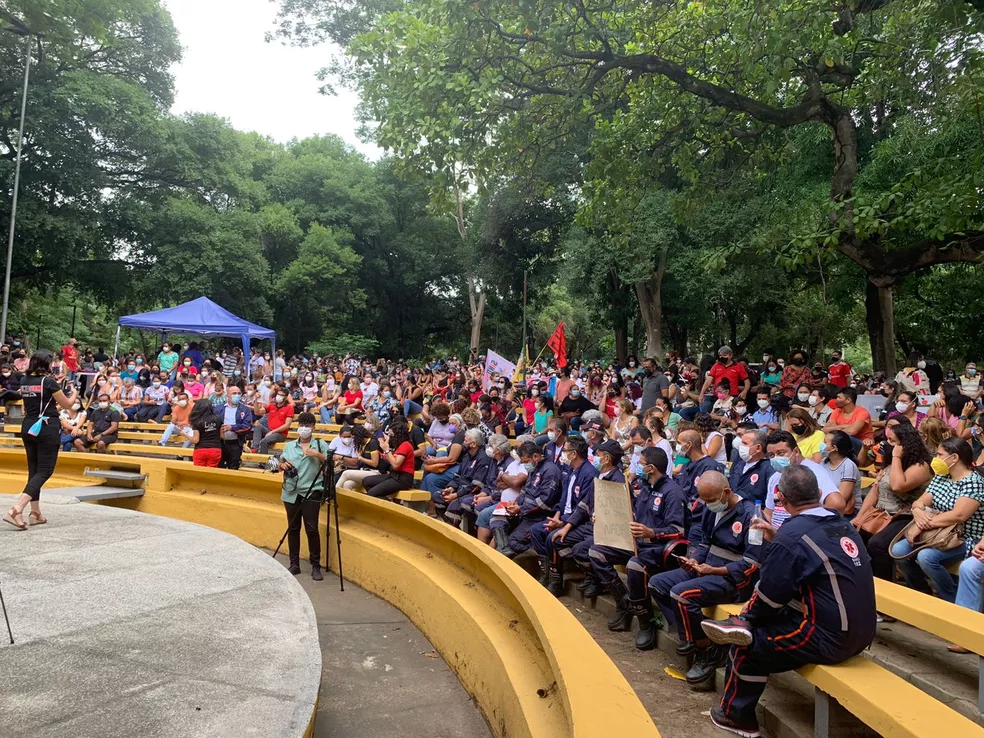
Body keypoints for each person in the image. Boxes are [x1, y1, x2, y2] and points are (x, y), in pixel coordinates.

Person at [699, 465, 876, 738]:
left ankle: (736, 718)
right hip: (862, 632)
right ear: (818, 493)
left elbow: (770, 595)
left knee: (747, 645)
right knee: (763, 622)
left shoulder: (793, 536)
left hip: (831, 637)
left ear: (779, 498)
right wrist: (779, 539)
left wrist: (748, 617)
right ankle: (739, 625)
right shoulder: (841, 524)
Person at [648, 471, 763, 687]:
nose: (707, 504)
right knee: (657, 584)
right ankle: (696, 637)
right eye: (704, 499)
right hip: (706, 569)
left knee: (682, 595)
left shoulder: (750, 515)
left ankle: (705, 649)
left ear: (726, 492)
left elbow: (752, 564)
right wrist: (693, 561)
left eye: (711, 500)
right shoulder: (711, 510)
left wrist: (714, 571)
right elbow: (704, 544)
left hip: (733, 580)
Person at [588, 446, 688, 649]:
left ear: (651, 467)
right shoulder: (642, 486)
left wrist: (652, 532)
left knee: (635, 565)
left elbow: (678, 530)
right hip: (635, 543)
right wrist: (603, 518)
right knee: (596, 552)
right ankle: (624, 602)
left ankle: (646, 622)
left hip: (658, 548)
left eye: (640, 464)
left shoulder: (673, 493)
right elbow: (629, 514)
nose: (637, 467)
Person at [890, 437, 984, 603]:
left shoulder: (973, 482)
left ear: (954, 458)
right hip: (934, 531)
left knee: (927, 557)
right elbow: (920, 502)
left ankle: (948, 597)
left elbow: (959, 515)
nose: (936, 459)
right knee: (898, 551)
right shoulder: (942, 476)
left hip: (964, 537)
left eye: (940, 455)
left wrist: (922, 525)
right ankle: (920, 592)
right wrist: (918, 511)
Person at [2, 351, 78, 530]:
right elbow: (67, 404)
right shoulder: (49, 382)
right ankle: (17, 509)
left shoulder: (24, 381)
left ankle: (35, 513)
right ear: (46, 364)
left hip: (28, 425)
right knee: (45, 470)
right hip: (46, 427)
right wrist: (74, 392)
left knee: (34, 470)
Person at [853, 420, 933, 585]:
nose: (886, 444)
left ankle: (884, 587)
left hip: (906, 515)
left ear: (904, 444)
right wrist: (858, 518)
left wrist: (896, 456)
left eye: (892, 441)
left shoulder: (921, 465)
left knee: (878, 544)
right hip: (882, 513)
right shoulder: (890, 462)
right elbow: (874, 492)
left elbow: (898, 486)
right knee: (854, 534)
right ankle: (865, 583)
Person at [529, 434, 599, 596]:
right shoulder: (570, 470)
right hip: (563, 516)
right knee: (536, 531)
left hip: (579, 521)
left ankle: (556, 581)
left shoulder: (589, 474)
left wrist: (563, 523)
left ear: (574, 454)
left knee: (552, 538)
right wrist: (557, 516)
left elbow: (583, 508)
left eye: (565, 451)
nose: (562, 455)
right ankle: (546, 573)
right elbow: (564, 498)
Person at [489, 440, 563, 557]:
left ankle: (537, 553)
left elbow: (544, 502)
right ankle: (502, 553)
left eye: (526, 462)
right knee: (496, 520)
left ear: (536, 456)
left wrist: (520, 508)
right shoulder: (533, 469)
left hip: (539, 516)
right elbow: (525, 491)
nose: (525, 465)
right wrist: (516, 502)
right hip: (525, 513)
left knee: (513, 542)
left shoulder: (550, 471)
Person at [278, 412, 328, 581]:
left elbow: (331, 464)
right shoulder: (290, 446)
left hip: (312, 490)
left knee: (312, 529)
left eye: (307, 426)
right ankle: (294, 564)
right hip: (291, 491)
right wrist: (282, 465)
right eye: (301, 426)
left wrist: (318, 455)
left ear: (313, 428)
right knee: (293, 528)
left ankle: (316, 566)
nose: (304, 429)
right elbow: (280, 463)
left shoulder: (320, 445)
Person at [764, 430, 844, 526]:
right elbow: (769, 512)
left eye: (781, 453)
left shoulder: (813, 472)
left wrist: (813, 528)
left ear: (796, 451)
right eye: (772, 455)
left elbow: (837, 504)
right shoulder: (775, 476)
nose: (776, 458)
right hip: (779, 534)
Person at [362, 418, 417, 499]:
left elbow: (395, 465)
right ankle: (384, 500)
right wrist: (384, 455)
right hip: (393, 475)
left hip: (402, 478)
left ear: (398, 435)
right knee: (366, 481)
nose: (390, 437)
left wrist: (387, 450)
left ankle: (388, 506)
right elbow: (393, 460)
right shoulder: (399, 445)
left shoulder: (406, 445)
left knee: (372, 493)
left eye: (391, 435)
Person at [698, 346, 750, 411]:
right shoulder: (716, 365)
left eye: (724, 355)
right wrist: (702, 393)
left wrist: (745, 391)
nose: (722, 357)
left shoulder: (738, 366)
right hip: (717, 396)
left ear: (730, 355)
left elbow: (747, 381)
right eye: (720, 355)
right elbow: (708, 381)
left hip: (732, 396)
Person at [822, 430, 862, 514]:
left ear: (834, 448)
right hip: (825, 506)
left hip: (846, 511)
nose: (821, 444)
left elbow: (841, 500)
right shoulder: (823, 462)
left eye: (825, 442)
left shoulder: (848, 466)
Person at [728, 428, 772, 503]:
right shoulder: (739, 463)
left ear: (758, 448)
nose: (741, 446)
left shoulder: (768, 469)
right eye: (741, 443)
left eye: (745, 443)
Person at [218, 385, 253, 469]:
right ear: (228, 395)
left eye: (239, 393)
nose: (237, 395)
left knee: (233, 467)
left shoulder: (245, 409)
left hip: (236, 444)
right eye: (234, 393)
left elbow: (247, 426)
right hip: (220, 443)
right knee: (219, 467)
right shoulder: (218, 408)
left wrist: (232, 428)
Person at [252, 389, 295, 455]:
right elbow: (257, 412)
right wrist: (256, 401)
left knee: (264, 441)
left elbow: (287, 425)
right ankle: (254, 448)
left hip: (281, 434)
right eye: (278, 394)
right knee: (258, 427)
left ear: (286, 397)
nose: (279, 396)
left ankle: (263, 462)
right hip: (269, 431)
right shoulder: (272, 405)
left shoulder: (289, 408)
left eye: (282, 395)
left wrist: (272, 432)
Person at [188, 398, 222, 467]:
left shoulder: (197, 421)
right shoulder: (218, 419)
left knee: (199, 474)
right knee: (211, 473)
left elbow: (195, 440)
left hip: (200, 449)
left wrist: (184, 434)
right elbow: (222, 436)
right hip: (215, 449)